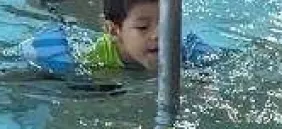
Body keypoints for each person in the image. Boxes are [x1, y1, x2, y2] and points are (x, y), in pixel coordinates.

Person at [20, 0, 223, 75]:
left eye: (168, 23)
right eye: (143, 27)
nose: (159, 35)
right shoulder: (92, 60)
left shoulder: (188, 53)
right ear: (114, 31)